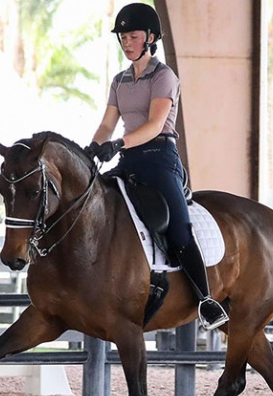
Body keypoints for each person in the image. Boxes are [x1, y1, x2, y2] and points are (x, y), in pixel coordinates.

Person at [86, 2, 228, 330]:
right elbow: (108, 123)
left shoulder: (164, 76)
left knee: (178, 230)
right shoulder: (120, 80)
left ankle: (206, 301)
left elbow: (154, 124)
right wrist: (93, 147)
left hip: (161, 160)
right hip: (130, 161)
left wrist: (118, 143)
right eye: (122, 37)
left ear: (150, 37)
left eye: (132, 36)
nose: (126, 42)